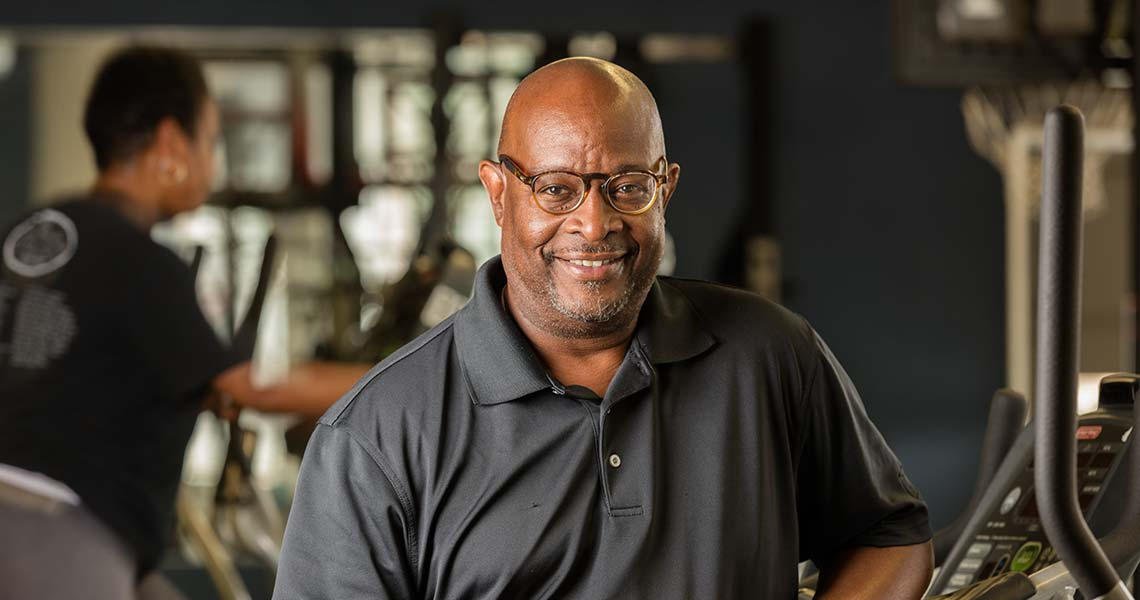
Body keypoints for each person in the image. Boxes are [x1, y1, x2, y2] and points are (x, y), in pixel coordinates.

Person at [273, 57, 934, 599]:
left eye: (626, 186)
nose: (594, 225)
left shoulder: (769, 354)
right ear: (499, 194)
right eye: (556, 189)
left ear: (665, 189)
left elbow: (888, 535)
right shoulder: (375, 437)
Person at [0, 46, 365, 599]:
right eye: (210, 141)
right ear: (172, 143)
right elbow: (251, 388)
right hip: (56, 532)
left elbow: (70, 365)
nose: (211, 162)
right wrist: (414, 378)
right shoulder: (140, 261)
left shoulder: (28, 232)